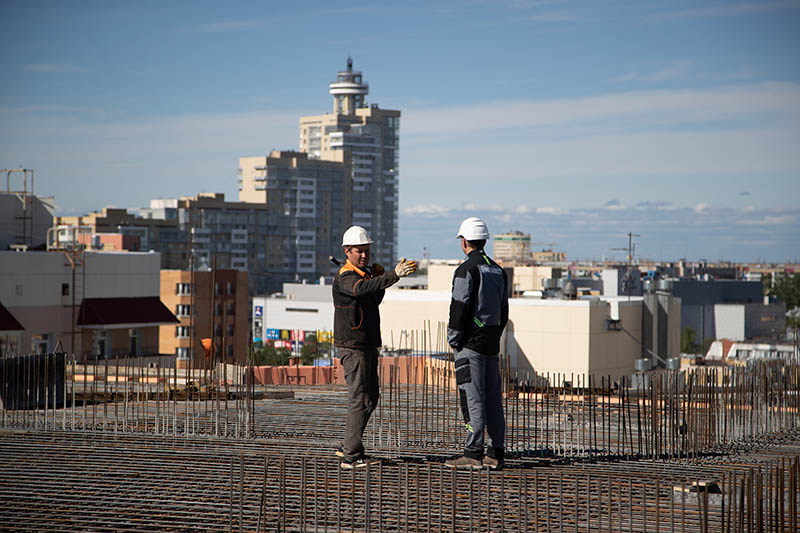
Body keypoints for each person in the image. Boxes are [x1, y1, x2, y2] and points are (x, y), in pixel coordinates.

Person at [333, 225, 417, 469]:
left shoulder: (363, 275)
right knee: (359, 398)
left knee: (371, 399)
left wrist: (380, 281)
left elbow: (373, 298)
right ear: (347, 251)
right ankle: (351, 455)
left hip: (367, 344)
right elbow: (361, 291)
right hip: (354, 346)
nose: (364, 256)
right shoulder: (346, 276)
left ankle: (350, 444)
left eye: (367, 251)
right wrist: (392, 276)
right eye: (359, 251)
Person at [445, 217, 509, 470]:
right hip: (491, 344)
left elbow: (458, 308)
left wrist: (454, 340)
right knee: (493, 400)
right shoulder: (498, 270)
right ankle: (495, 453)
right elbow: (504, 312)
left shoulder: (466, 270)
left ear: (464, 241)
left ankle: (472, 453)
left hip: (470, 346)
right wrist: (493, 336)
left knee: (472, 399)